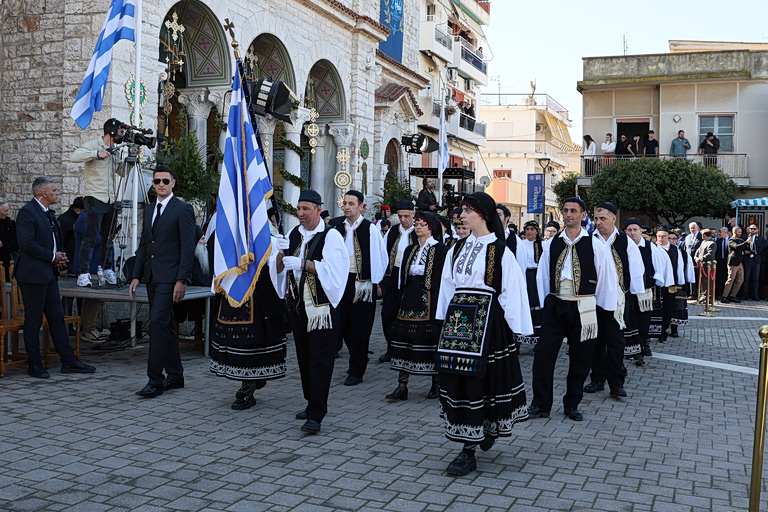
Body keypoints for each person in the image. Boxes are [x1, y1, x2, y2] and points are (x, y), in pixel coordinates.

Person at [436, 192, 532, 476]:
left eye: (468, 210)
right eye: (462, 210)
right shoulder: (456, 248)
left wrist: (516, 332)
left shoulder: (500, 251)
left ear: (483, 215)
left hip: (488, 325)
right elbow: (447, 285)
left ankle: (470, 448)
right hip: (458, 324)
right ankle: (474, 436)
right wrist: (442, 323)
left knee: (481, 383)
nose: (462, 215)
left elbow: (513, 290)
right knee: (459, 381)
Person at [528, 197, 617, 422]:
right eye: (566, 210)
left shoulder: (595, 243)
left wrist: (605, 311)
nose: (568, 214)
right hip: (556, 303)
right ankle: (541, 404)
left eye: (573, 211)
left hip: (584, 306)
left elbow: (606, 277)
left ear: (582, 215)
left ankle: (572, 404)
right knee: (543, 356)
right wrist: (543, 304)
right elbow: (543, 275)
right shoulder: (552, 243)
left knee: (580, 359)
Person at [278, 189, 348, 434]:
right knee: (304, 358)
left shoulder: (331, 236)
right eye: (298, 209)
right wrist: (280, 251)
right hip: (299, 307)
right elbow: (280, 268)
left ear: (319, 209)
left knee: (320, 360)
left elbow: (335, 271)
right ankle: (310, 403)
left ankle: (317, 413)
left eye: (306, 209)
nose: (301, 214)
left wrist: (304, 264)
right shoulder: (293, 234)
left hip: (322, 309)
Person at [14, 177, 96, 378]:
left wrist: (58, 258)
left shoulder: (49, 214)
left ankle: (68, 361)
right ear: (43, 193)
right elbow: (26, 244)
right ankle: (35, 364)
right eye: (55, 190)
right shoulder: (27, 212)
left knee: (57, 318)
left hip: (48, 275)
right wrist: (52, 257)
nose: (57, 193)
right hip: (33, 275)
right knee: (33, 320)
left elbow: (53, 240)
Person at [130, 165, 196, 398]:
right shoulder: (149, 209)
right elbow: (144, 245)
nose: (160, 185)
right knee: (164, 324)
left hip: (170, 277)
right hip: (151, 276)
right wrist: (136, 275)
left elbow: (188, 247)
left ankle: (155, 380)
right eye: (157, 181)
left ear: (173, 183)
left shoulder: (183, 209)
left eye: (165, 181)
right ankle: (176, 375)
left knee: (157, 324)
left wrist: (182, 279)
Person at [209, 228, 289, 411]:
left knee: (254, 343)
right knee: (238, 342)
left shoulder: (266, 233)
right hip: (233, 293)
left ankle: (250, 384)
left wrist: (282, 252)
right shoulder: (226, 226)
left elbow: (276, 268)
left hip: (260, 297)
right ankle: (251, 381)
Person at [386, 211, 447, 401]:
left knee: (430, 341)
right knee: (404, 340)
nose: (418, 227)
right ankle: (402, 385)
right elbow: (402, 279)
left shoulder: (441, 250)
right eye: (417, 224)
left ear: (432, 227)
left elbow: (443, 279)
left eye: (422, 224)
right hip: (408, 300)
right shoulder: (410, 250)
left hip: (430, 301)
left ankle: (436, 384)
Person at [585, 203, 644, 396]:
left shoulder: (624, 241)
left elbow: (636, 267)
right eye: (596, 218)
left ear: (613, 218)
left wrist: (632, 293)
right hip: (593, 298)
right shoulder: (588, 239)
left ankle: (616, 383)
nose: (599, 222)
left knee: (616, 341)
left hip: (618, 298)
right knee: (595, 340)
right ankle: (597, 378)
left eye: (603, 218)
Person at [335, 190, 387, 386]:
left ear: (360, 206)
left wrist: (376, 283)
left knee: (360, 327)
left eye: (351, 203)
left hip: (363, 283)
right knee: (344, 325)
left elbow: (380, 256)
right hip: (342, 282)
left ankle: (356, 369)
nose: (347, 207)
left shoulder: (370, 229)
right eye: (345, 203)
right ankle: (358, 357)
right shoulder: (335, 227)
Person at [71, 118, 124, 287]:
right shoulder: (94, 145)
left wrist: (131, 159)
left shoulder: (115, 150)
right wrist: (96, 154)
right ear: (113, 131)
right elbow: (74, 156)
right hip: (95, 197)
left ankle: (108, 269)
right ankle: (83, 273)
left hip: (110, 198)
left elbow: (121, 172)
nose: (122, 135)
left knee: (108, 238)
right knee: (91, 237)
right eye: (121, 131)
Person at [623, 218, 672, 363]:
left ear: (640, 231)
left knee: (643, 322)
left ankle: (641, 350)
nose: (632, 233)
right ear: (625, 231)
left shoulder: (651, 247)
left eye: (635, 230)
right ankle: (630, 349)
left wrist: (657, 283)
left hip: (645, 292)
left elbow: (659, 268)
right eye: (629, 230)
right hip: (626, 293)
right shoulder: (622, 246)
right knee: (628, 322)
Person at [379, 200, 418, 362]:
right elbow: (382, 254)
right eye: (400, 216)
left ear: (413, 214)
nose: (403, 219)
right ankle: (391, 347)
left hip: (412, 278)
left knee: (409, 316)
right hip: (392, 276)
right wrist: (380, 281)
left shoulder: (419, 231)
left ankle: (409, 349)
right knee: (388, 314)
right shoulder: (393, 231)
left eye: (406, 216)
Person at [651, 226, 685, 344]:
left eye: (664, 236)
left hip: (670, 284)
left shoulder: (675, 249)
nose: (661, 238)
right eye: (659, 236)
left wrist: (680, 281)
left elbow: (679, 266)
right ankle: (654, 331)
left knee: (668, 308)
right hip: (655, 285)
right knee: (655, 308)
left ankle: (663, 331)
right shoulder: (653, 248)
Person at [517, 220, 544, 345]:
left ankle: (538, 338)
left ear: (537, 231)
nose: (529, 232)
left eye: (532, 229)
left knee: (536, 304)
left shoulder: (543, 245)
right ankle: (520, 336)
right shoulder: (520, 244)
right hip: (524, 275)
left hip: (537, 276)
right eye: (527, 229)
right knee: (523, 302)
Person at [668, 230, 695, 338]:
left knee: (677, 306)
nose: (671, 241)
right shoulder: (659, 251)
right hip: (663, 284)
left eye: (674, 239)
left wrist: (687, 282)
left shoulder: (683, 253)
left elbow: (688, 268)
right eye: (669, 238)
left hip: (678, 283)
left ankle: (674, 329)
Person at [57, 197, 84, 275]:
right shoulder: (65, 220)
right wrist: (63, 267)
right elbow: (60, 243)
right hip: (70, 263)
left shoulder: (78, 219)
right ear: (77, 210)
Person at [722, 226, 749, 303]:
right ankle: (724, 296)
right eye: (739, 232)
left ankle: (732, 296)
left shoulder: (741, 240)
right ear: (734, 232)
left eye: (741, 232)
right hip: (733, 263)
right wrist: (746, 242)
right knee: (731, 279)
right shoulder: (731, 240)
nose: (740, 234)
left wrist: (748, 244)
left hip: (740, 262)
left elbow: (745, 248)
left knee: (740, 280)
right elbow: (736, 247)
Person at [742, 224, 765, 301]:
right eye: (751, 229)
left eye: (754, 229)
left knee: (755, 279)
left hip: (756, 261)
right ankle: (745, 294)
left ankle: (754, 295)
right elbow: (742, 247)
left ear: (757, 230)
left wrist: (751, 252)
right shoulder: (745, 237)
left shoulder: (760, 239)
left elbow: (760, 249)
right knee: (746, 278)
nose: (752, 230)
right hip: (747, 260)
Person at [694, 229, 716, 302]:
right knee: (702, 281)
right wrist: (696, 257)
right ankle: (703, 295)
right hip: (701, 265)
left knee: (708, 282)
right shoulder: (703, 242)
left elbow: (710, 254)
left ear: (705, 235)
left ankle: (709, 297)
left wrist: (701, 259)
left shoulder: (712, 243)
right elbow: (697, 251)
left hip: (708, 266)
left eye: (702, 234)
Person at [0, 198, 18, 280]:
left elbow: (15, 243)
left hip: (6, 262)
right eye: (5, 211)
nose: (8, 213)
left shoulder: (10, 224)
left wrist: (3, 243)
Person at [684, 222, 703, 300]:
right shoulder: (687, 237)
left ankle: (698, 294)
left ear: (698, 227)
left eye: (694, 227)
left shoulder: (701, 236)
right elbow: (686, 248)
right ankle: (691, 293)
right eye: (691, 228)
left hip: (697, 261)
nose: (692, 229)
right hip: (689, 260)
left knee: (697, 278)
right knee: (690, 276)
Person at [715, 227, 730, 300]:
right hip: (720, 262)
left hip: (729, 262)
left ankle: (727, 295)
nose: (719, 234)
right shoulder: (718, 241)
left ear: (725, 232)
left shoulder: (731, 240)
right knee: (720, 279)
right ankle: (719, 294)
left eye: (720, 232)